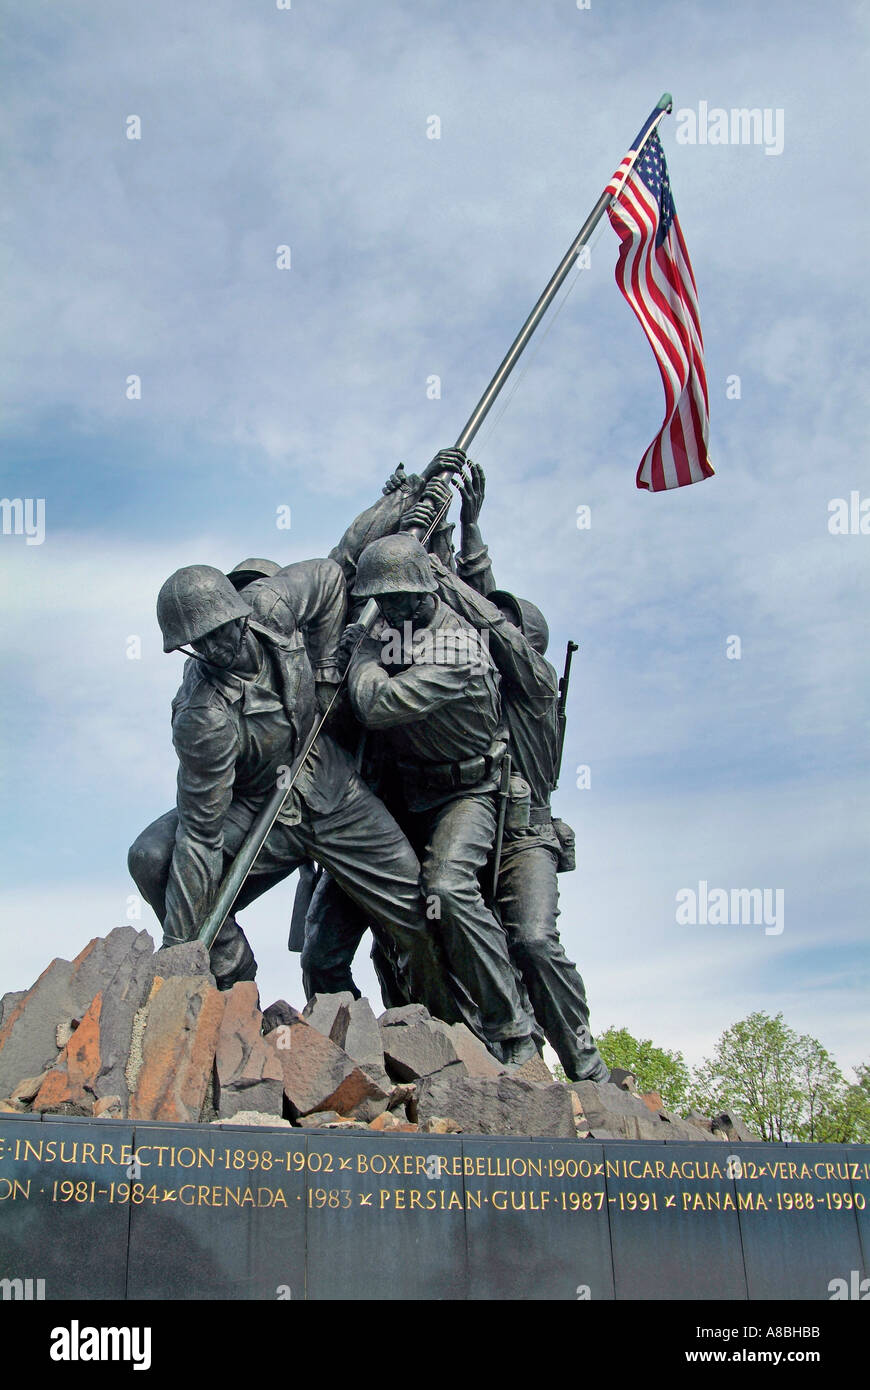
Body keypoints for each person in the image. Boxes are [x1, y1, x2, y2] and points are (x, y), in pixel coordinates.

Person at [126, 559, 468, 1029]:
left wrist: (327, 671)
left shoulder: (273, 604)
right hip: (258, 812)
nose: (214, 647)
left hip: (332, 790)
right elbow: (202, 834)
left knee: (413, 908)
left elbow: (329, 579)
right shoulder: (202, 716)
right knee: (153, 860)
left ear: (237, 612)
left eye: (219, 630)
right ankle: (233, 992)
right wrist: (182, 954)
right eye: (198, 641)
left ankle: (445, 1030)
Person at [436, 457, 609, 1082]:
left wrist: (441, 569)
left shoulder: (535, 686)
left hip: (525, 837)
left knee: (533, 941)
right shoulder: (472, 685)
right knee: (451, 924)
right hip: (479, 825)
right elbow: (477, 614)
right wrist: (461, 532)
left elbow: (486, 618)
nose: (493, 631)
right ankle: (506, 1050)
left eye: (507, 628)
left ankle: (586, 1065)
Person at [343, 532, 538, 1065]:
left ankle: (513, 1029)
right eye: (380, 603)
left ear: (422, 594)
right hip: (407, 791)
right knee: (383, 904)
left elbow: (378, 704)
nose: (385, 613)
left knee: (448, 891)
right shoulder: (395, 627)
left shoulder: (457, 648)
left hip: (467, 791)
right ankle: (415, 1032)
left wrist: (359, 657)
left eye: (396, 601)